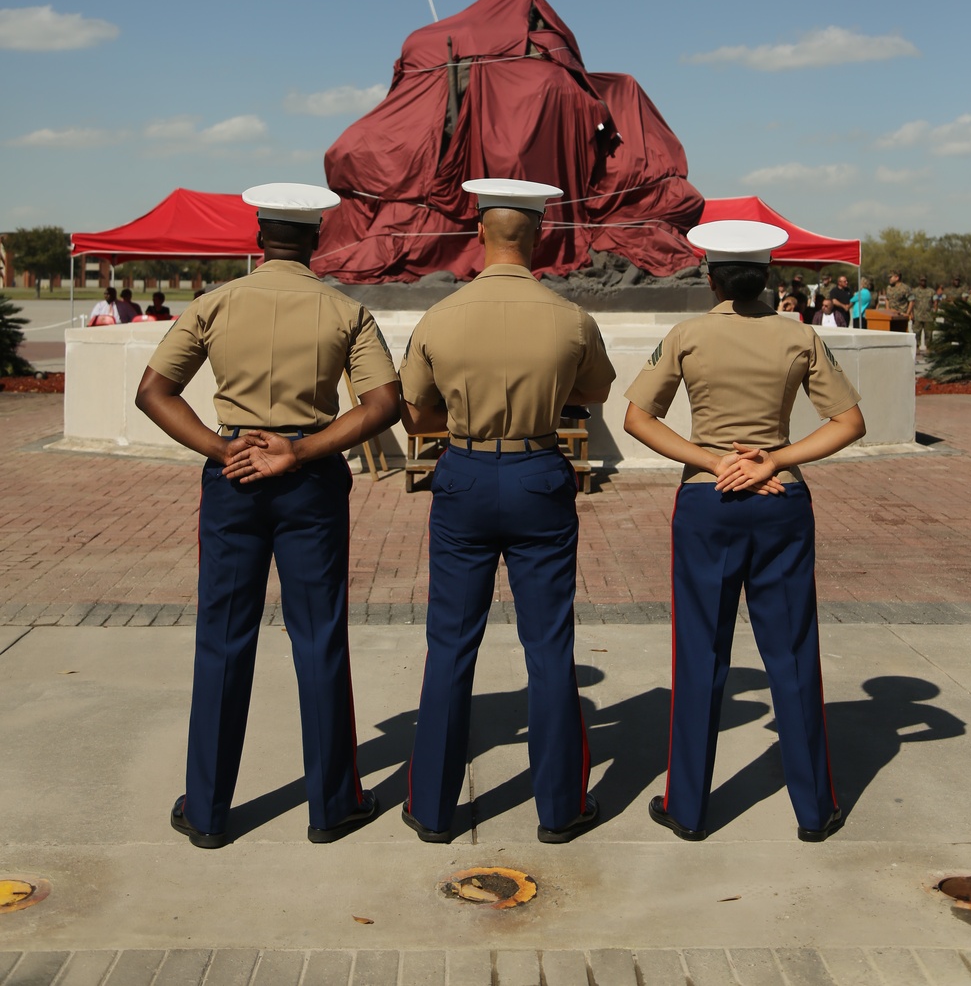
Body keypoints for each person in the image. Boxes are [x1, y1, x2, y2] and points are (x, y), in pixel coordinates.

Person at [135, 182, 400, 848]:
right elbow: (383, 403)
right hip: (308, 477)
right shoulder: (346, 310)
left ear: (260, 241)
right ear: (315, 240)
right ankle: (333, 804)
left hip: (235, 478)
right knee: (319, 637)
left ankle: (207, 811)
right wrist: (303, 448)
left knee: (224, 640)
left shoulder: (215, 304)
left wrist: (223, 449)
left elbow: (153, 392)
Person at [623, 219, 865, 843]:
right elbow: (849, 422)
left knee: (701, 653)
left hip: (707, 501)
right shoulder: (799, 337)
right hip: (780, 498)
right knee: (791, 652)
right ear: (768, 277)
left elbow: (636, 416)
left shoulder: (688, 334)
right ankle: (814, 811)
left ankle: (688, 809)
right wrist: (776, 459)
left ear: (710, 278)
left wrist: (710, 461)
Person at [398, 178, 615, 845]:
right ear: (540, 234)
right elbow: (594, 390)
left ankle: (432, 808)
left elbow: (416, 407)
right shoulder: (570, 317)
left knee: (449, 644)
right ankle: (558, 809)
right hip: (537, 469)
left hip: (462, 469)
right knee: (548, 646)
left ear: (479, 235)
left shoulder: (441, 316)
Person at [910, 276, 935, 353]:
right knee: (916, 332)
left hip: (929, 316)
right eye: (921, 280)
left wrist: (935, 313)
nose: (923, 282)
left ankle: (929, 347)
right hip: (917, 315)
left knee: (929, 333)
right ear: (919, 281)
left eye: (924, 280)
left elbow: (935, 302)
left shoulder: (931, 291)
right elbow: (911, 302)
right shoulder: (914, 291)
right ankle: (917, 347)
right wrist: (911, 313)